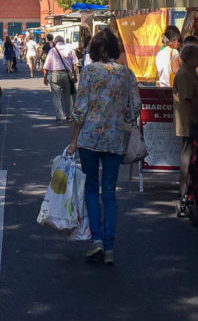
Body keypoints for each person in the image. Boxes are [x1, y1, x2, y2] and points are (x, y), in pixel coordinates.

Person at [65, 29, 140, 265]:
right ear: (115, 49)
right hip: (115, 139)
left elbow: (80, 109)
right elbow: (135, 107)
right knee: (109, 192)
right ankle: (109, 248)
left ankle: (96, 239)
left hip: (89, 138)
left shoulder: (88, 73)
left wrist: (74, 139)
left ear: (95, 49)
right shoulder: (127, 74)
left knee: (90, 188)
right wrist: (121, 118)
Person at [173, 43, 198, 216]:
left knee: (190, 152)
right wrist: (196, 119)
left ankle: (189, 187)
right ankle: (185, 189)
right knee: (188, 153)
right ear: (191, 57)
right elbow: (187, 100)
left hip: (191, 119)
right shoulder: (185, 74)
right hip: (189, 121)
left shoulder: (190, 72)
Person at [43, 35, 78, 122]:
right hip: (67, 74)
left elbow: (46, 67)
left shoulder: (52, 51)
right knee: (68, 95)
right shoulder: (70, 49)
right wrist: (75, 76)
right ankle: (69, 115)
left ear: (55, 42)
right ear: (63, 41)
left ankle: (59, 116)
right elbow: (75, 64)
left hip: (55, 74)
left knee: (56, 96)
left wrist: (45, 78)